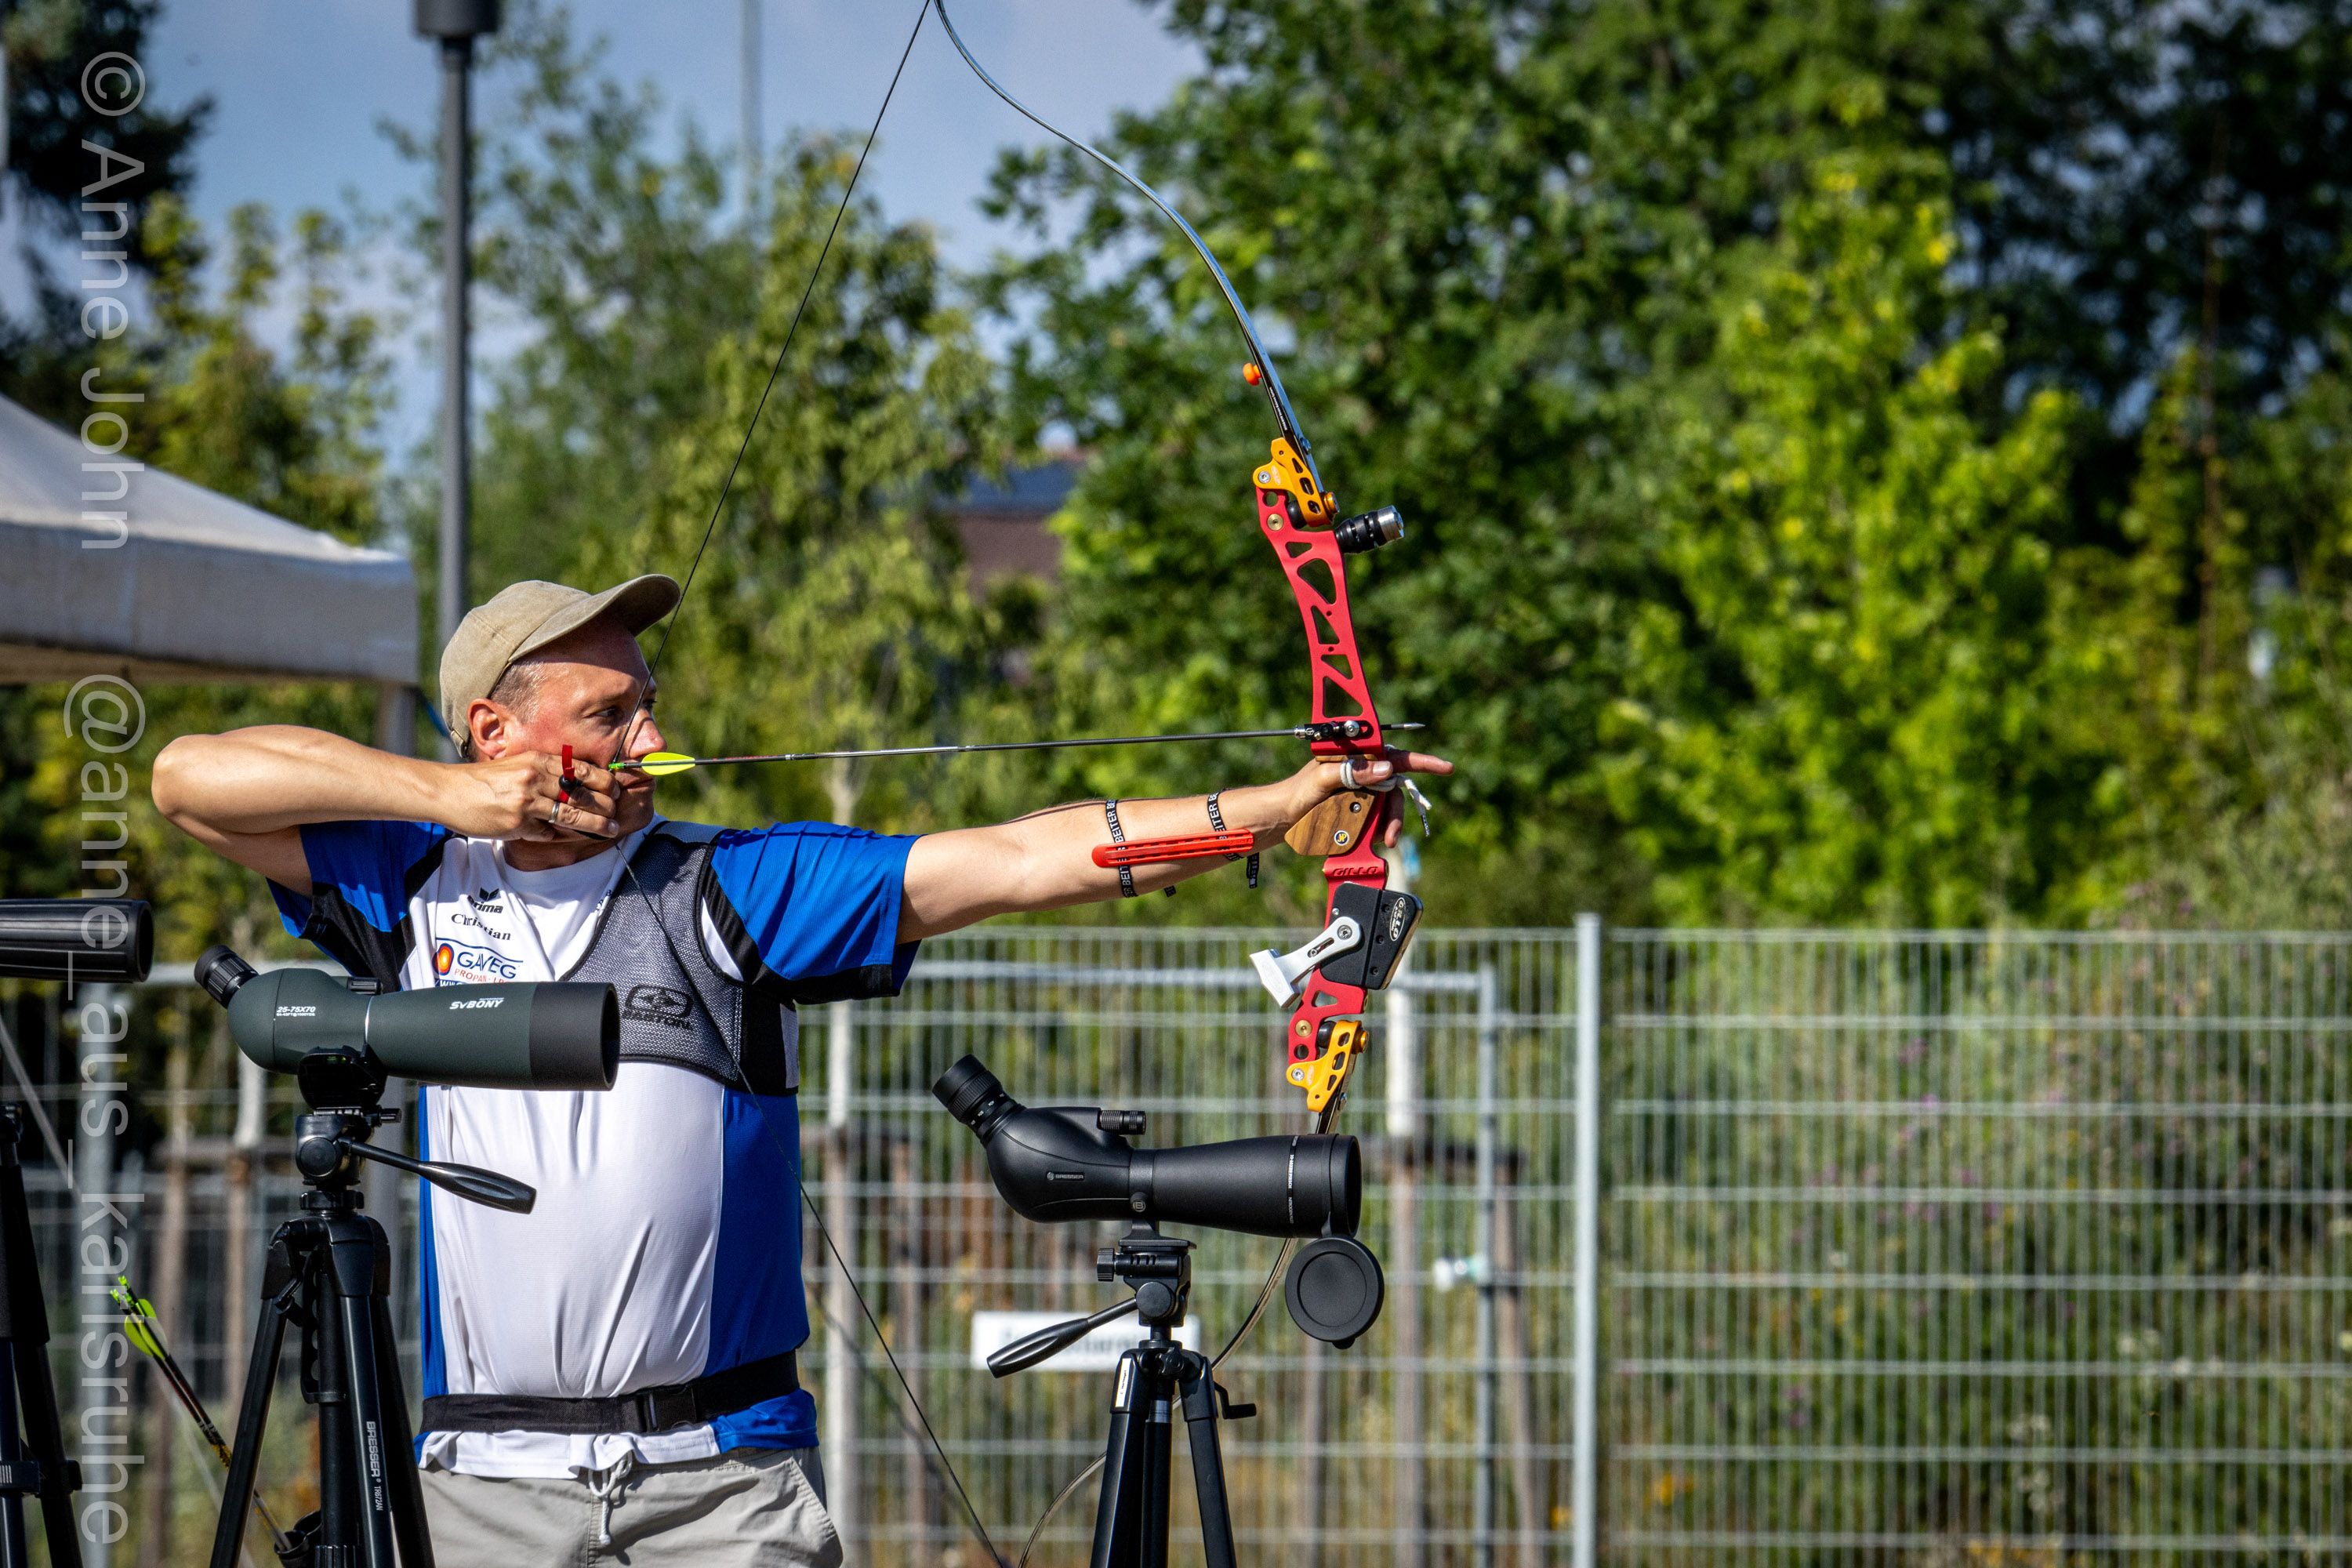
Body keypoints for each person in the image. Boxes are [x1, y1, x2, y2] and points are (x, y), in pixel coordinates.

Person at [152, 574, 1450, 1567]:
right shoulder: (412, 881)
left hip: (721, 1486)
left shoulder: (729, 886)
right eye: (610, 713)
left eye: (646, 702)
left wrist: (1270, 810)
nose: (651, 733)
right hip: (486, 1488)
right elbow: (185, 780)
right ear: (498, 730)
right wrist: (448, 797)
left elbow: (1017, 859)